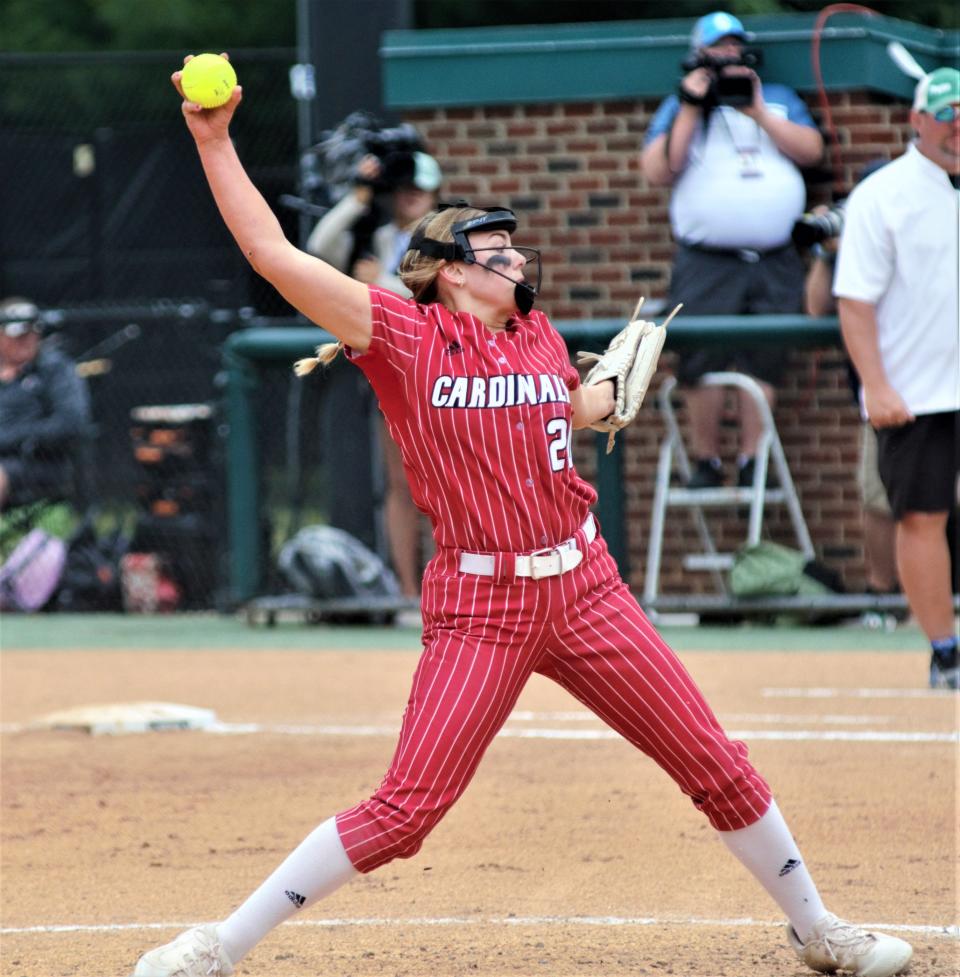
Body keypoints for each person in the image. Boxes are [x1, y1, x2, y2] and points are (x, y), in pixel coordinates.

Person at [131, 54, 914, 977]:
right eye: (496, 252)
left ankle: (817, 928)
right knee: (407, 808)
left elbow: (563, 416)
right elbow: (272, 253)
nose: (516, 259)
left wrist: (596, 400)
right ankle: (220, 943)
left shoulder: (535, 332)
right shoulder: (401, 334)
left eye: (514, 248)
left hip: (586, 588)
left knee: (717, 763)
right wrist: (215, 142)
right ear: (453, 273)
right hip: (481, 607)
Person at [641, 11, 823, 489]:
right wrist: (690, 106)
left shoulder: (778, 99)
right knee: (701, 356)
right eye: (716, 50)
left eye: (733, 48)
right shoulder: (679, 106)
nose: (726, 57)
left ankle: (752, 461)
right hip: (707, 259)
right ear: (699, 55)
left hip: (774, 258)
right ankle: (707, 461)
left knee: (766, 358)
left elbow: (811, 151)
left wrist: (757, 110)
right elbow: (661, 170)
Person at [834, 66, 960, 690]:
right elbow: (854, 300)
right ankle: (946, 651)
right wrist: (876, 386)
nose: (957, 124)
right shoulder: (881, 195)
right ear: (918, 119)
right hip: (919, 391)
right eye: (947, 112)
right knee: (921, 516)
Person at [306, 149, 442, 600]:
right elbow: (321, 247)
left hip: (445, 373)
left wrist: (377, 283)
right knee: (400, 485)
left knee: (450, 484)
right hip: (396, 376)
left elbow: (429, 297)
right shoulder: (380, 236)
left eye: (418, 189)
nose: (409, 198)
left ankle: (456, 589)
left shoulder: (449, 235)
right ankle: (407, 591)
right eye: (401, 189)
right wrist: (358, 197)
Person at [802, 163, 900, 605]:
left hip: (938, 386)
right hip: (880, 392)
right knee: (878, 497)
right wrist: (829, 252)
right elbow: (815, 307)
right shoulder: (852, 245)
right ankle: (882, 598)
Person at [0, 297, 91, 512]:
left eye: (32, 332)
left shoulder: (55, 369)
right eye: (18, 335)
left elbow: (71, 423)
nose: (26, 340)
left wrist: (10, 437)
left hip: (38, 462)